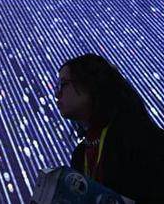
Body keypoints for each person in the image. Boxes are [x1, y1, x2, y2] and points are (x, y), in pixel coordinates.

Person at [55, 53, 164, 203]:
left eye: (64, 84)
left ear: (90, 83)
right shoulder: (80, 156)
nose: (57, 94)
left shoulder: (138, 137)